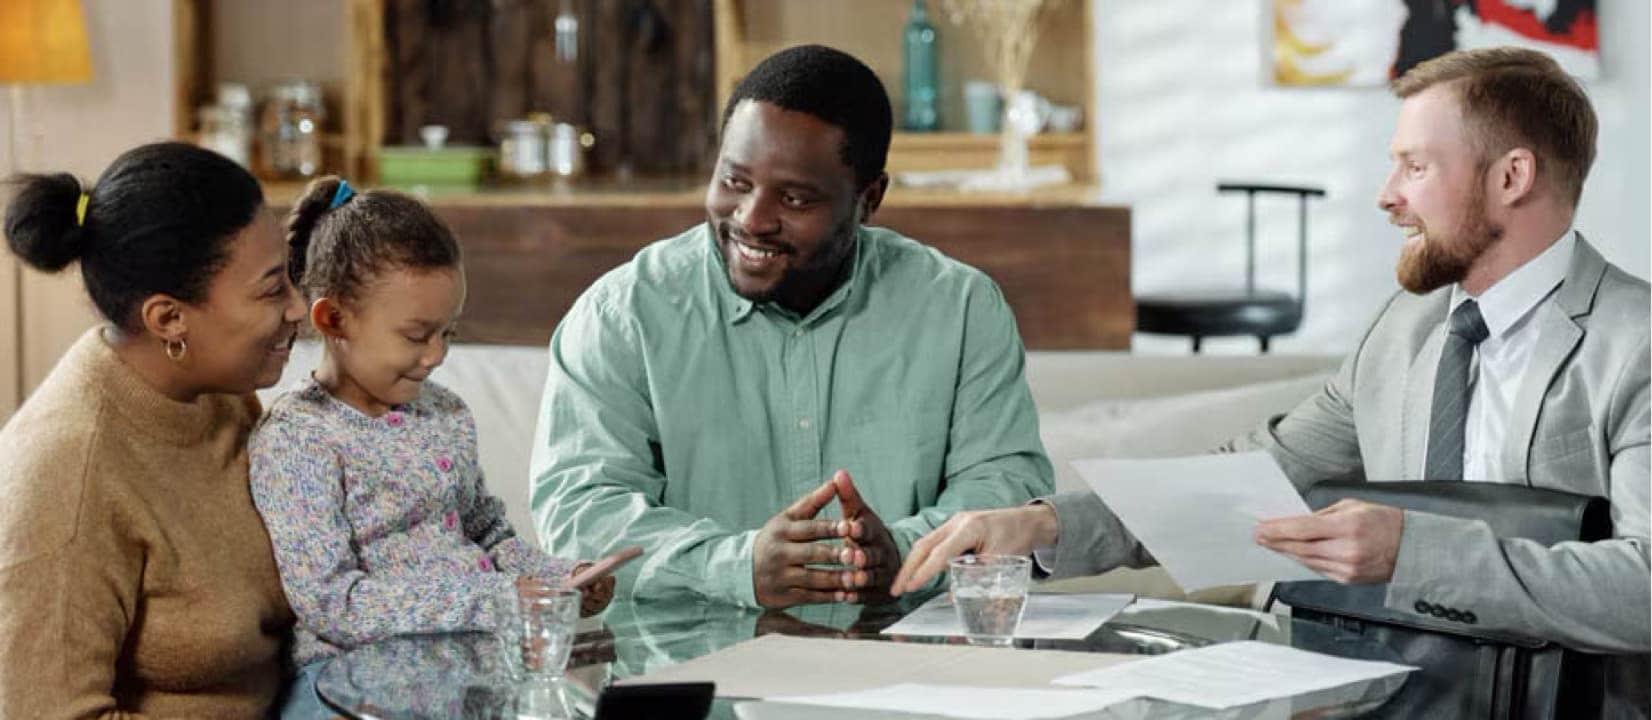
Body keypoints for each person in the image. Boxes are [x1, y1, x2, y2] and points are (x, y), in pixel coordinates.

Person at [893, 47, 1648, 706]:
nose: (1387, 194)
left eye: (1415, 166)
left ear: (1513, 176)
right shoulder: (1403, 331)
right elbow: (1249, 477)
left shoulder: (1635, 345)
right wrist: (1043, 528)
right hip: (1399, 697)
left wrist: (1410, 552)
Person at [531, 44, 1053, 609]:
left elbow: (1006, 488)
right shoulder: (622, 315)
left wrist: (903, 554)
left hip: (903, 657)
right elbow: (577, 513)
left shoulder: (961, 309)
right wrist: (735, 566)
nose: (752, 219)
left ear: (869, 199)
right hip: (697, 661)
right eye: (735, 182)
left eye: (795, 198)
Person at [249, 178, 621, 716]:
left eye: (448, 333)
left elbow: (488, 535)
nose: (437, 355)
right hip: (345, 684)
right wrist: (494, 599)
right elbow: (335, 604)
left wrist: (557, 580)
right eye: (416, 335)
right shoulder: (298, 438)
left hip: (462, 671)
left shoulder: (445, 413)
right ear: (333, 319)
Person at [0, 142, 305, 717]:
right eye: (272, 289)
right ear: (169, 319)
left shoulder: (216, 392)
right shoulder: (65, 478)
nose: (298, 307)